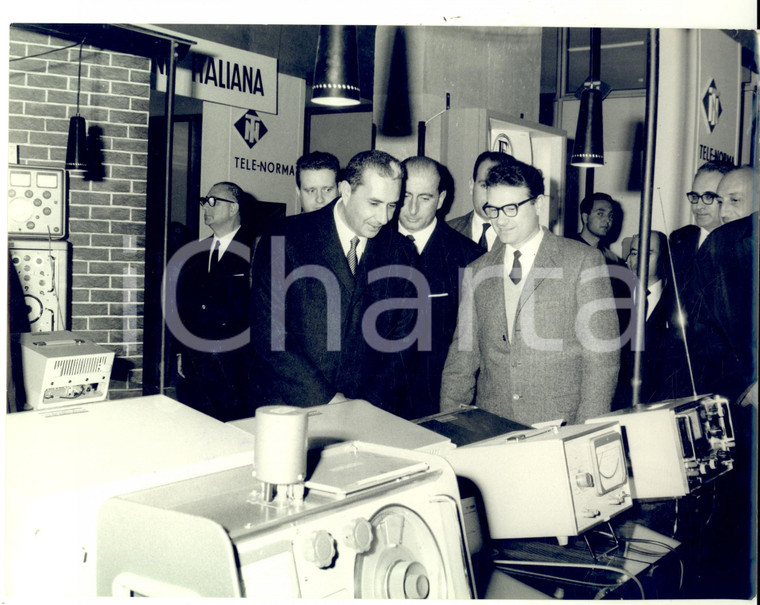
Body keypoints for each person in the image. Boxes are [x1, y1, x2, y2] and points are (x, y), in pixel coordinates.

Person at [440, 159, 620, 426]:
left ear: (539, 204)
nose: (500, 220)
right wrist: (450, 426)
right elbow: (462, 361)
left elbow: (602, 363)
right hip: (493, 426)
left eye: (511, 208)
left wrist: (583, 434)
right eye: (493, 209)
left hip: (560, 426)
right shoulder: (477, 270)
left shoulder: (582, 260)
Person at [250, 150, 420, 413]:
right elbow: (270, 335)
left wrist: (366, 406)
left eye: (392, 205)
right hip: (291, 407)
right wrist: (329, 401)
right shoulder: (284, 238)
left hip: (368, 413)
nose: (384, 218)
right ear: (346, 190)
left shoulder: (402, 252)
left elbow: (403, 344)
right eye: (374, 203)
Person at [395, 156, 485, 419]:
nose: (412, 209)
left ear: (441, 199)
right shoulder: (372, 245)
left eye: (424, 198)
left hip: (437, 399)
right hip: (378, 401)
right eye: (405, 196)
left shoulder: (469, 256)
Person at [173, 181, 256, 422]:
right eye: (204, 201)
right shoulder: (196, 252)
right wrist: (181, 351)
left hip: (237, 363)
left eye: (213, 201)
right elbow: (184, 306)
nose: (205, 207)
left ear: (233, 208)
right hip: (196, 360)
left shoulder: (256, 247)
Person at [614, 231, 678, 408]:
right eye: (634, 253)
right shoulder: (612, 299)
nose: (639, 260)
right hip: (618, 405)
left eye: (648, 253)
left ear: (664, 258)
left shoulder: (677, 302)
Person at [447, 151, 513, 251]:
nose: (489, 196)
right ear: (471, 186)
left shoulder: (520, 235)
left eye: (498, 187)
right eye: (484, 186)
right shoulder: (448, 231)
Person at [569, 192, 622, 264]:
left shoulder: (611, 258)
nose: (607, 220)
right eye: (600, 214)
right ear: (585, 218)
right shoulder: (569, 249)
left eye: (610, 216)